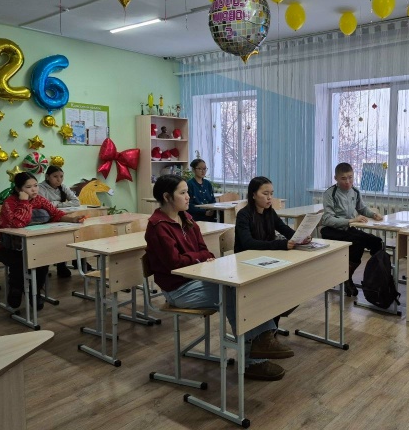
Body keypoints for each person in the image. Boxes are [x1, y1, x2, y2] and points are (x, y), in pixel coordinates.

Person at [144, 175, 293, 381]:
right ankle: (254, 357)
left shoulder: (187, 219)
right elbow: (175, 263)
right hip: (179, 289)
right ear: (167, 197)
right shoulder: (158, 226)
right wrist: (198, 257)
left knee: (244, 289)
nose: (188, 197)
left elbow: (205, 251)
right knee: (234, 294)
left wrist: (196, 257)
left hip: (198, 278)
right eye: (183, 193)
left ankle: (261, 343)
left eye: (187, 192)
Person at [0, 172, 85, 310]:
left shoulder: (39, 199)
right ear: (18, 189)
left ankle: (35, 291)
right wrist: (24, 202)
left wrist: (72, 219)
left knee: (41, 259)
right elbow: (17, 224)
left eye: (35, 185)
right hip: (5, 246)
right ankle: (16, 289)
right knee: (20, 262)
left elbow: (56, 213)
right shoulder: (10, 202)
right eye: (28, 187)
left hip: (30, 244)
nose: (34, 190)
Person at [234, 176, 311, 326]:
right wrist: (281, 244)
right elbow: (248, 243)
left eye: (271, 193)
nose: (269, 198)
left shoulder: (269, 212)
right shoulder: (244, 214)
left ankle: (271, 325)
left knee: (290, 287)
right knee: (276, 290)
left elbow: (284, 229)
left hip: (266, 258)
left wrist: (300, 237)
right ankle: (267, 327)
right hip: (246, 262)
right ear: (253, 194)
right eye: (265, 194)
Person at [320, 162, 383, 297]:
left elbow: (362, 208)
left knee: (376, 242)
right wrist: (351, 220)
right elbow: (327, 219)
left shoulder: (355, 191)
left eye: (350, 177)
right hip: (331, 230)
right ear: (336, 178)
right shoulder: (330, 193)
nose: (348, 182)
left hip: (348, 228)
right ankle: (346, 278)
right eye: (343, 178)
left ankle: (375, 278)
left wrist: (373, 215)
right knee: (357, 243)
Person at [38, 165, 85, 277]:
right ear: (47, 177)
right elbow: (43, 205)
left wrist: (58, 204)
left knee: (74, 236)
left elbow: (76, 202)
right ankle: (61, 264)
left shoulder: (63, 187)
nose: (59, 179)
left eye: (61, 176)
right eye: (55, 176)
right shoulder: (40, 188)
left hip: (64, 218)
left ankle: (77, 260)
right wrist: (60, 204)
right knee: (60, 240)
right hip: (48, 220)